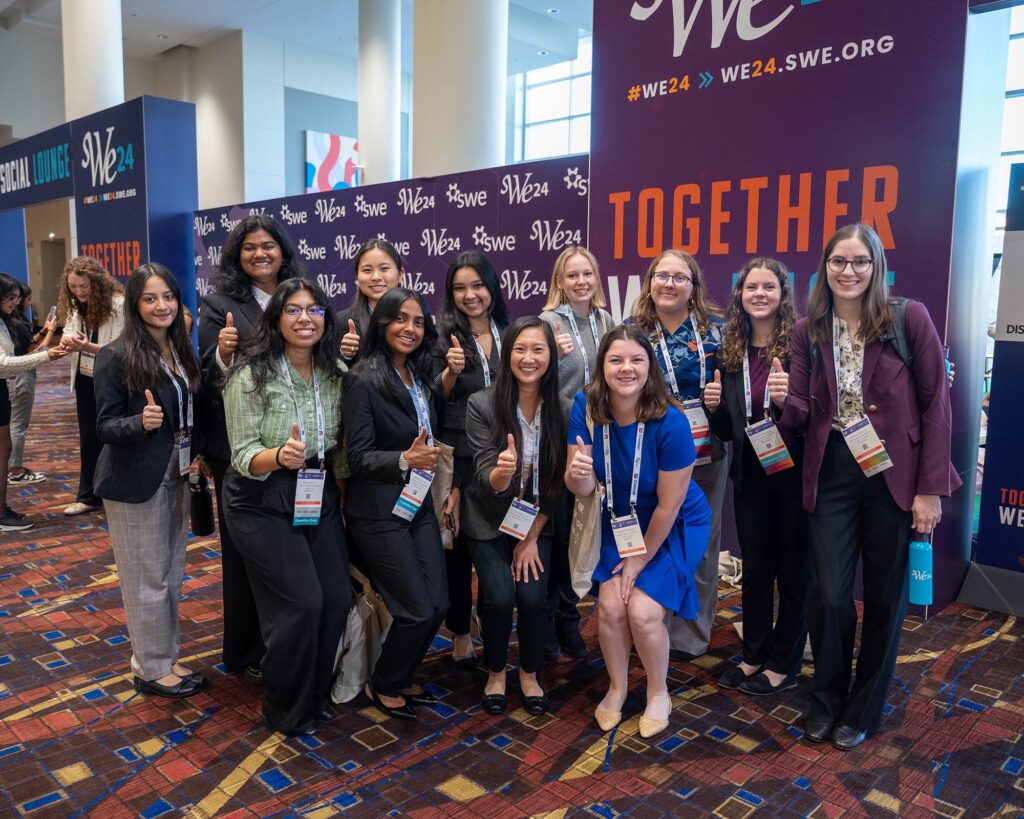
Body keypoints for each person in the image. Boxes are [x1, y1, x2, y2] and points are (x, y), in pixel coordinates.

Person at [780, 224, 960, 750]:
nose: (849, 271)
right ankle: (826, 699)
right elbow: (798, 410)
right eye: (839, 261)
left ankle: (862, 709)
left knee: (884, 597)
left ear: (876, 265)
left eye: (860, 261)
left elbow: (936, 407)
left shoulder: (909, 317)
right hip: (833, 468)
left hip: (896, 475)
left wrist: (930, 491)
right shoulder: (807, 328)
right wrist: (774, 400)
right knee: (831, 594)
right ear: (825, 266)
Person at [565, 324, 710, 739]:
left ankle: (659, 692)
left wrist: (639, 559)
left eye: (636, 360)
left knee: (643, 612)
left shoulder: (671, 421)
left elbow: (670, 504)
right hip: (617, 521)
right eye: (615, 360)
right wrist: (578, 476)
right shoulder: (586, 406)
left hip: (672, 523)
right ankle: (618, 686)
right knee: (611, 607)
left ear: (650, 367)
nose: (625, 368)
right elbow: (583, 488)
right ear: (602, 366)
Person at [222, 277, 350, 736]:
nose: (304, 319)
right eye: (293, 310)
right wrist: (279, 456)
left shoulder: (334, 372)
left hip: (316, 490)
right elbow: (241, 454)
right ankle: (285, 706)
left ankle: (314, 695)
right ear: (276, 318)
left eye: (314, 310)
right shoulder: (249, 375)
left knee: (335, 601)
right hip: (260, 496)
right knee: (301, 605)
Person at [198, 214, 305, 684]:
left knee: (292, 545)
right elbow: (205, 371)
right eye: (249, 248)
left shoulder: (302, 291)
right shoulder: (218, 303)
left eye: (268, 246)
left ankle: (291, 638)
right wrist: (222, 351)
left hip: (297, 443)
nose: (260, 254)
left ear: (282, 250)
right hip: (238, 447)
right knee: (244, 552)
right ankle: (246, 649)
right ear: (236, 256)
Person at [93, 264, 207, 698]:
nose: (162, 306)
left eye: (168, 297)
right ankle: (150, 668)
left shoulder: (179, 350)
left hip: (176, 473)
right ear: (135, 305)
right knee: (145, 577)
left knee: (171, 573)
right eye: (150, 298)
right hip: (133, 480)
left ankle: (166, 658)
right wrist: (139, 422)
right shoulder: (115, 355)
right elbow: (104, 426)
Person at [344, 287, 450, 721]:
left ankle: (402, 673)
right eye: (401, 319)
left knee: (439, 604)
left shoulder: (421, 376)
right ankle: (383, 681)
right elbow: (357, 457)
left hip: (417, 502)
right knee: (415, 609)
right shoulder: (363, 378)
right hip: (378, 511)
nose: (410, 329)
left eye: (419, 321)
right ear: (382, 323)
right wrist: (405, 459)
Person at [704, 258, 808, 695]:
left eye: (769, 287)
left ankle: (784, 661)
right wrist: (713, 410)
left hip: (795, 473)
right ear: (740, 295)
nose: (760, 294)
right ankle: (753, 655)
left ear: (783, 294)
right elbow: (729, 430)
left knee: (794, 572)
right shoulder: (729, 353)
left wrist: (787, 404)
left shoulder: (802, 347)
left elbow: (813, 419)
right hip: (749, 476)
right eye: (751, 287)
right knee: (757, 568)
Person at [463, 317, 566, 715]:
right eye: (520, 349)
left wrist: (530, 538)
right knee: (501, 599)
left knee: (533, 597)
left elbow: (556, 485)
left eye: (538, 350)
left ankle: (529, 672)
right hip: (488, 519)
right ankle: (494, 671)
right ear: (507, 356)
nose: (528, 358)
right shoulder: (482, 404)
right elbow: (484, 476)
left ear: (551, 357)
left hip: (536, 519)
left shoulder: (563, 408)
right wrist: (502, 473)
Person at [628, 250, 726, 662]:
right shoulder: (631, 334)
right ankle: (650, 626)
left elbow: (744, 391)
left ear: (693, 287)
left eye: (679, 277)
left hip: (707, 452)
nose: (669, 284)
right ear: (649, 282)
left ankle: (693, 633)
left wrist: (721, 402)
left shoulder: (717, 334)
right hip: (649, 455)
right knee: (654, 539)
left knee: (701, 544)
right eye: (661, 276)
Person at [432, 250, 510, 668]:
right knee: (457, 546)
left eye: (477, 285)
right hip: (459, 452)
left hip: (505, 451)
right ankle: (461, 630)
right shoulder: (440, 335)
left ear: (492, 286)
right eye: (460, 288)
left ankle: (497, 614)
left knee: (500, 541)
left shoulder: (509, 331)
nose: (470, 295)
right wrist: (449, 372)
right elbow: (432, 399)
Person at [538, 245, 615, 660]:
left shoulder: (607, 321)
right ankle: (551, 621)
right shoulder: (548, 323)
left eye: (587, 274)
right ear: (560, 282)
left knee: (588, 535)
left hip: (600, 442)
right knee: (562, 533)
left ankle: (569, 616)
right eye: (572, 276)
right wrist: (552, 355)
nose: (581, 282)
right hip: (558, 444)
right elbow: (528, 375)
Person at [58, 256, 125, 516]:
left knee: (114, 436)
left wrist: (87, 347)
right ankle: (89, 496)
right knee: (88, 438)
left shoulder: (118, 305)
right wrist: (67, 341)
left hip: (111, 379)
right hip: (85, 378)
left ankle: (115, 491)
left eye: (83, 286)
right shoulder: (77, 305)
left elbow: (121, 349)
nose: (78, 292)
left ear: (97, 282)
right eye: (73, 287)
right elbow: (68, 332)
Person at [0, 274, 67, 530]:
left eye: (18, 298)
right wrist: (47, 355)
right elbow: (3, 363)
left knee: (5, 448)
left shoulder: (6, 321)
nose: (15, 303)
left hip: (4, 388)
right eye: (11, 297)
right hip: (6, 385)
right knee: (6, 446)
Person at [8, 283, 57, 484]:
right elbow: (37, 353)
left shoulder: (11, 322)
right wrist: (52, 331)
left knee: (14, 423)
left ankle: (12, 467)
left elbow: (28, 343)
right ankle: (16, 470)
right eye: (22, 298)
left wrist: (44, 330)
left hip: (15, 375)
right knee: (18, 424)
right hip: (21, 376)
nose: (23, 302)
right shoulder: (16, 323)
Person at [334, 239, 404, 364]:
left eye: (384, 269)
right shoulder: (342, 322)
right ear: (357, 276)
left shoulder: (415, 319)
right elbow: (332, 375)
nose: (376, 277)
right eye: (367, 270)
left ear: (400, 274)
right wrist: (345, 355)